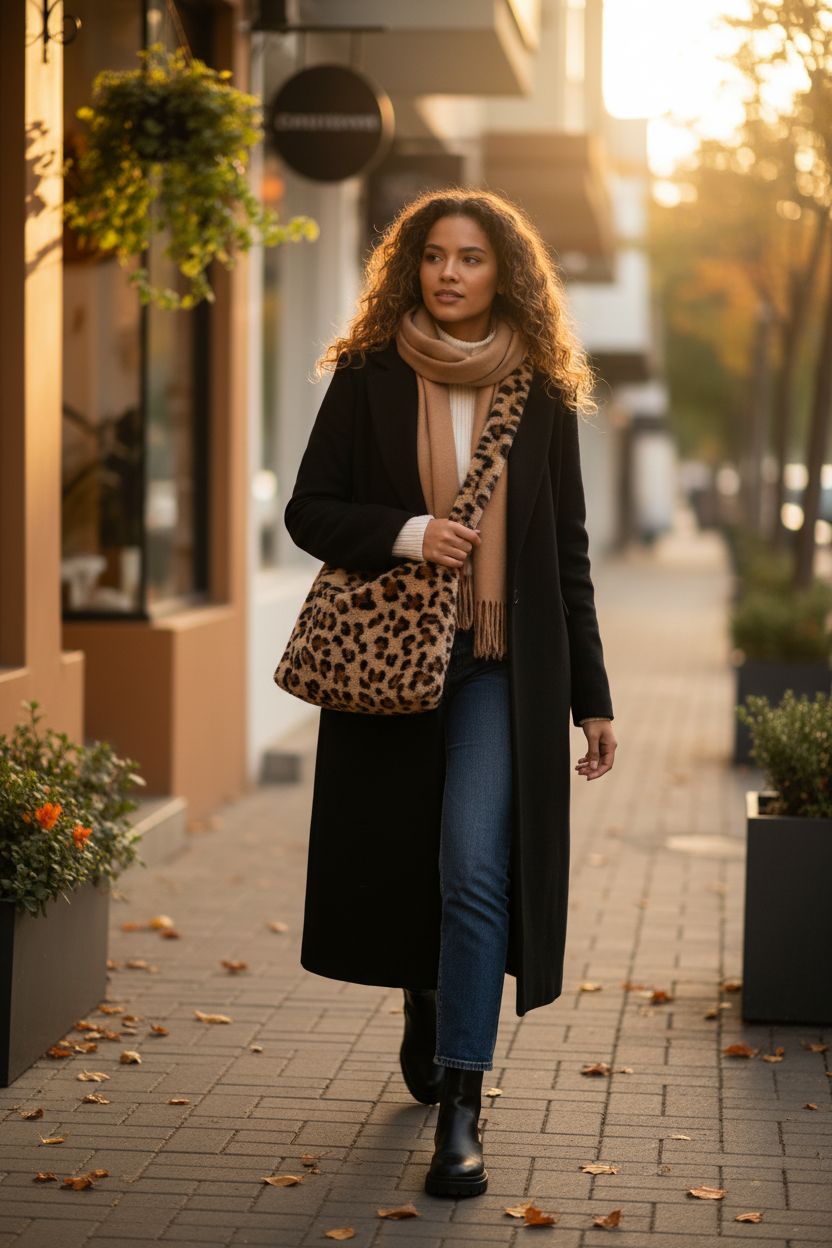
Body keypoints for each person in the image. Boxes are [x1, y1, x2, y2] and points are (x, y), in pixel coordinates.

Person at [282, 188, 618, 1200]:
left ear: (502, 271)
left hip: (499, 669)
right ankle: (426, 996)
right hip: (392, 661)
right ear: (409, 268)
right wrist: (407, 531)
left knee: (475, 868)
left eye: (471, 258)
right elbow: (309, 509)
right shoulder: (369, 376)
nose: (449, 273)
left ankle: (462, 1109)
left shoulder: (543, 393)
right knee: (402, 866)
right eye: (433, 256)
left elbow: (566, 552)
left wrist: (592, 697)